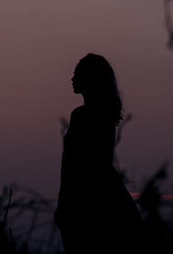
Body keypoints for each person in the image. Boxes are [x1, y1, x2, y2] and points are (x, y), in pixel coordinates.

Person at [55, 53, 141, 252]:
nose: (72, 79)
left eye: (77, 74)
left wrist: (64, 200)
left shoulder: (81, 116)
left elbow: (71, 164)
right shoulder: (106, 117)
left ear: (89, 78)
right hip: (108, 196)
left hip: (85, 201)